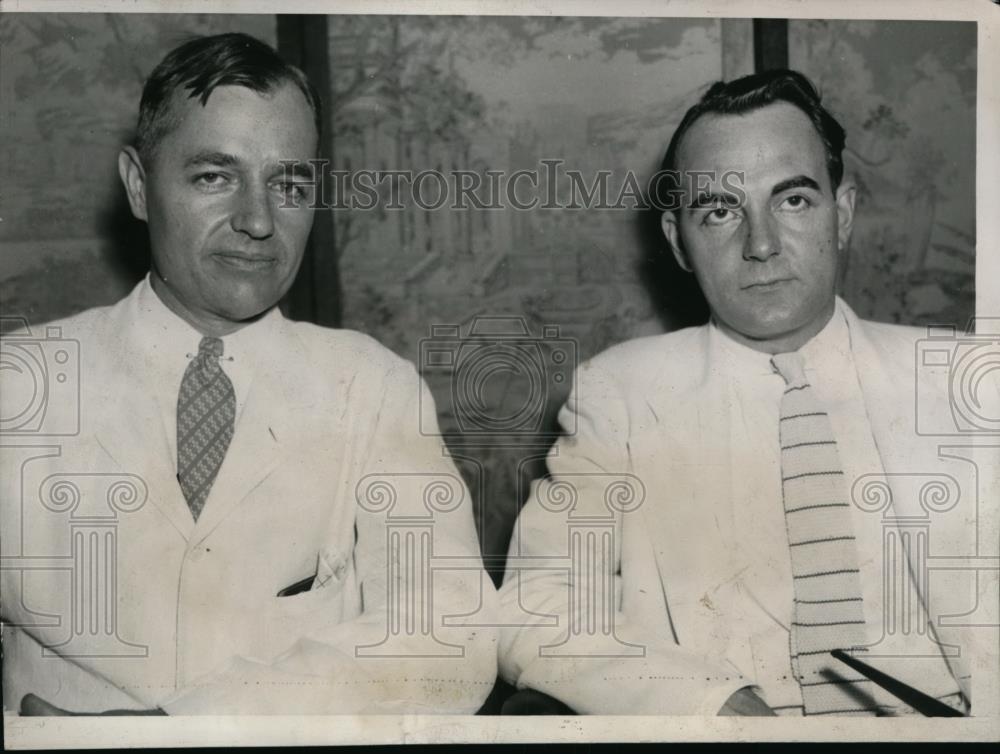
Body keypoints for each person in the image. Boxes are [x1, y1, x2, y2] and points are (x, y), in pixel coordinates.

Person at [1, 32, 497, 715]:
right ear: (139, 186)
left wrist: (177, 728)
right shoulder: (19, 385)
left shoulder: (373, 389)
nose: (258, 220)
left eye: (288, 183)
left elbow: (451, 637)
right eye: (214, 177)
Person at [497, 70, 989, 716]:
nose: (760, 245)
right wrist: (712, 703)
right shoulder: (619, 396)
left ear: (841, 215)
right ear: (678, 242)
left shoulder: (971, 382)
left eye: (793, 201)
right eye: (721, 211)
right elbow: (532, 613)